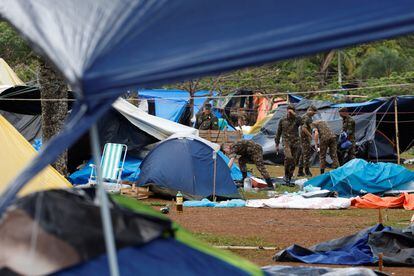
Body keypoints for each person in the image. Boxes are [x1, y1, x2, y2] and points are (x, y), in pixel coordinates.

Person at [275, 104, 302, 185]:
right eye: (288, 110)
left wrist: (294, 114)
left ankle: (289, 176)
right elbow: (278, 132)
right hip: (286, 141)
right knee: (288, 157)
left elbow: (302, 122)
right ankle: (286, 175)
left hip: (296, 142)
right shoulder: (282, 120)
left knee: (294, 161)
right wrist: (276, 144)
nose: (290, 111)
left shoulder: (297, 119)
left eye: (292, 110)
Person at [298, 105, 317, 177]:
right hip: (305, 139)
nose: (314, 114)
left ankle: (300, 171)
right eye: (313, 112)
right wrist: (310, 135)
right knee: (306, 155)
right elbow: (303, 128)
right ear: (310, 110)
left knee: (303, 155)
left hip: (304, 138)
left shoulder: (307, 117)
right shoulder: (306, 118)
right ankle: (307, 171)